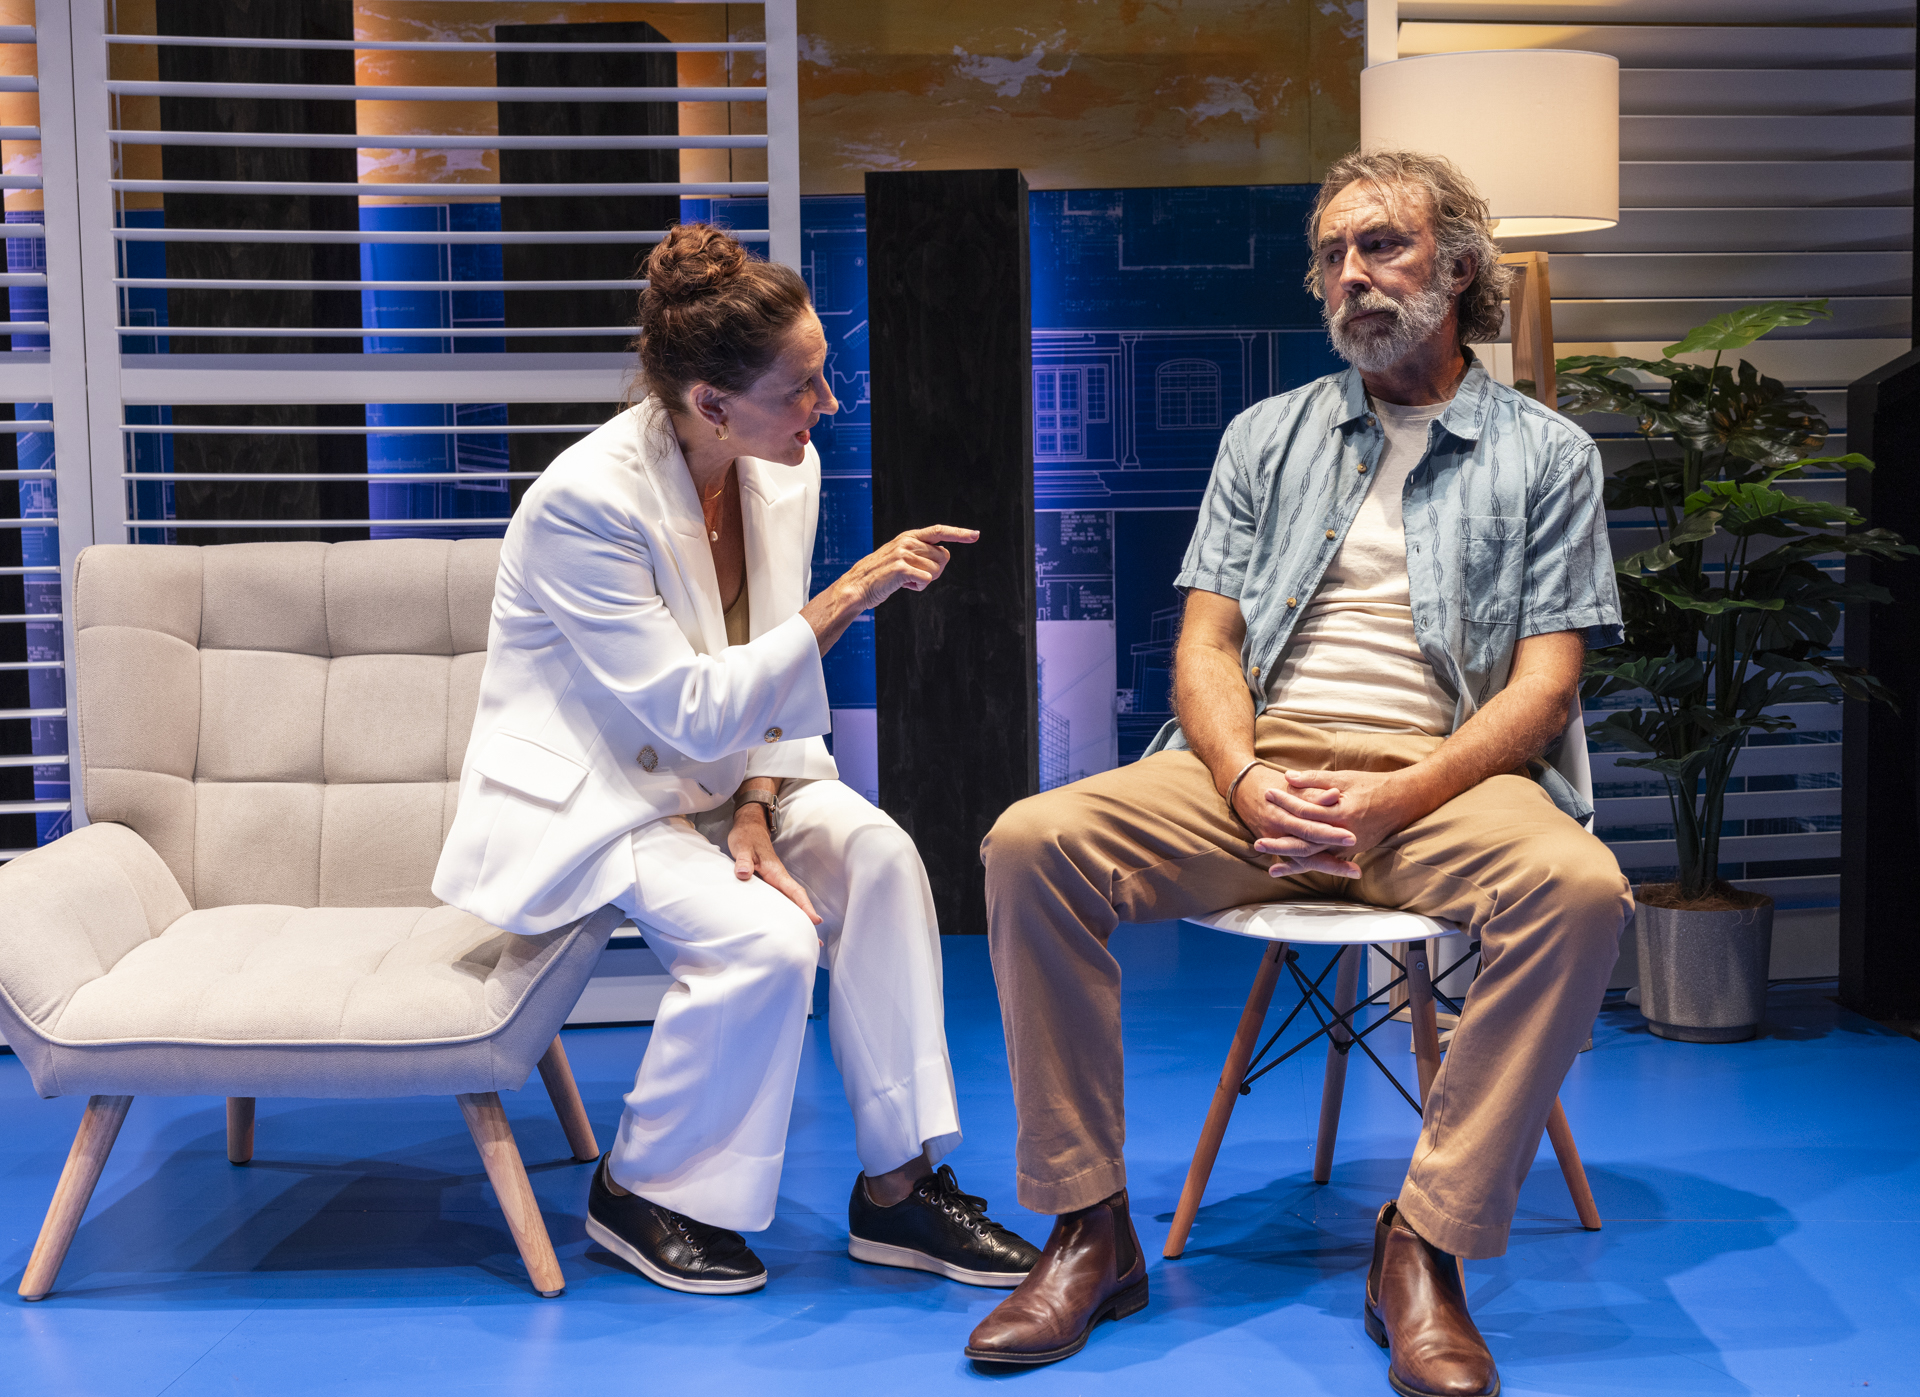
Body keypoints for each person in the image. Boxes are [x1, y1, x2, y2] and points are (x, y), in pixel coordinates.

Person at [967, 149, 1633, 1393]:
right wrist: (1240, 776)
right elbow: (1206, 644)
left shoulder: (1547, 454)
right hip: (1258, 769)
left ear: (1459, 265)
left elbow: (1545, 686)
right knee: (1031, 842)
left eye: (1380, 244)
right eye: (1331, 253)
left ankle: (1424, 1242)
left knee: (1581, 890)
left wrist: (1401, 794)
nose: (1350, 275)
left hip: (1445, 781)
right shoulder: (1265, 436)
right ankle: (1090, 1225)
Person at [434, 223, 1038, 1297]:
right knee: (767, 940)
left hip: (725, 773)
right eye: (801, 387)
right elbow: (687, 701)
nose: (828, 407)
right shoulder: (586, 503)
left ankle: (900, 1188)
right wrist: (855, 591)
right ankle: (642, 1189)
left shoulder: (777, 471)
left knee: (884, 857)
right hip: (608, 791)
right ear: (711, 402)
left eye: (824, 375)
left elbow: (754, 675)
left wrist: (760, 801)